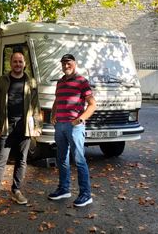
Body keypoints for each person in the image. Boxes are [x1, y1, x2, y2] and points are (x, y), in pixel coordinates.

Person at [0, 50, 42, 206]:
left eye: (20, 61)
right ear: (10, 63)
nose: (18, 64)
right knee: (1, 160)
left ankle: (16, 191)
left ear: (24, 64)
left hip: (25, 126)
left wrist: (37, 126)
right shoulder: (2, 80)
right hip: (7, 126)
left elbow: (35, 106)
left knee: (22, 160)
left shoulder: (31, 82)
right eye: (15, 61)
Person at [47, 54, 97, 207]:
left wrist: (80, 119)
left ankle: (86, 194)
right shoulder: (60, 82)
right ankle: (64, 189)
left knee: (79, 160)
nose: (66, 66)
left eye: (68, 63)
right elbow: (57, 100)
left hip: (74, 127)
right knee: (61, 159)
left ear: (74, 64)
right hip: (60, 126)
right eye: (63, 63)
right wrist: (53, 115)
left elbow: (92, 104)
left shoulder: (82, 81)